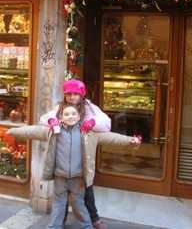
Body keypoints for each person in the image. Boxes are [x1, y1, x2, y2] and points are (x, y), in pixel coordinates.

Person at [8, 103, 141, 229]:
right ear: (60, 117)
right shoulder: (53, 132)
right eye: (66, 114)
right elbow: (33, 131)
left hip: (77, 178)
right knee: (59, 204)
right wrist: (13, 131)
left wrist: (130, 140)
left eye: (73, 114)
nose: (70, 116)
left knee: (79, 204)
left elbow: (110, 138)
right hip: (60, 176)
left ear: (79, 117)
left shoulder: (89, 133)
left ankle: (87, 226)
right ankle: (54, 226)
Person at [39, 79, 111, 229]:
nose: (72, 97)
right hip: (63, 156)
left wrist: (91, 123)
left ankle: (94, 218)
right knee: (61, 195)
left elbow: (105, 122)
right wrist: (52, 120)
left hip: (82, 158)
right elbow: (44, 119)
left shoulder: (89, 107)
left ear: (81, 95)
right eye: (69, 94)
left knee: (87, 190)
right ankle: (61, 219)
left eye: (75, 94)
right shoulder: (59, 108)